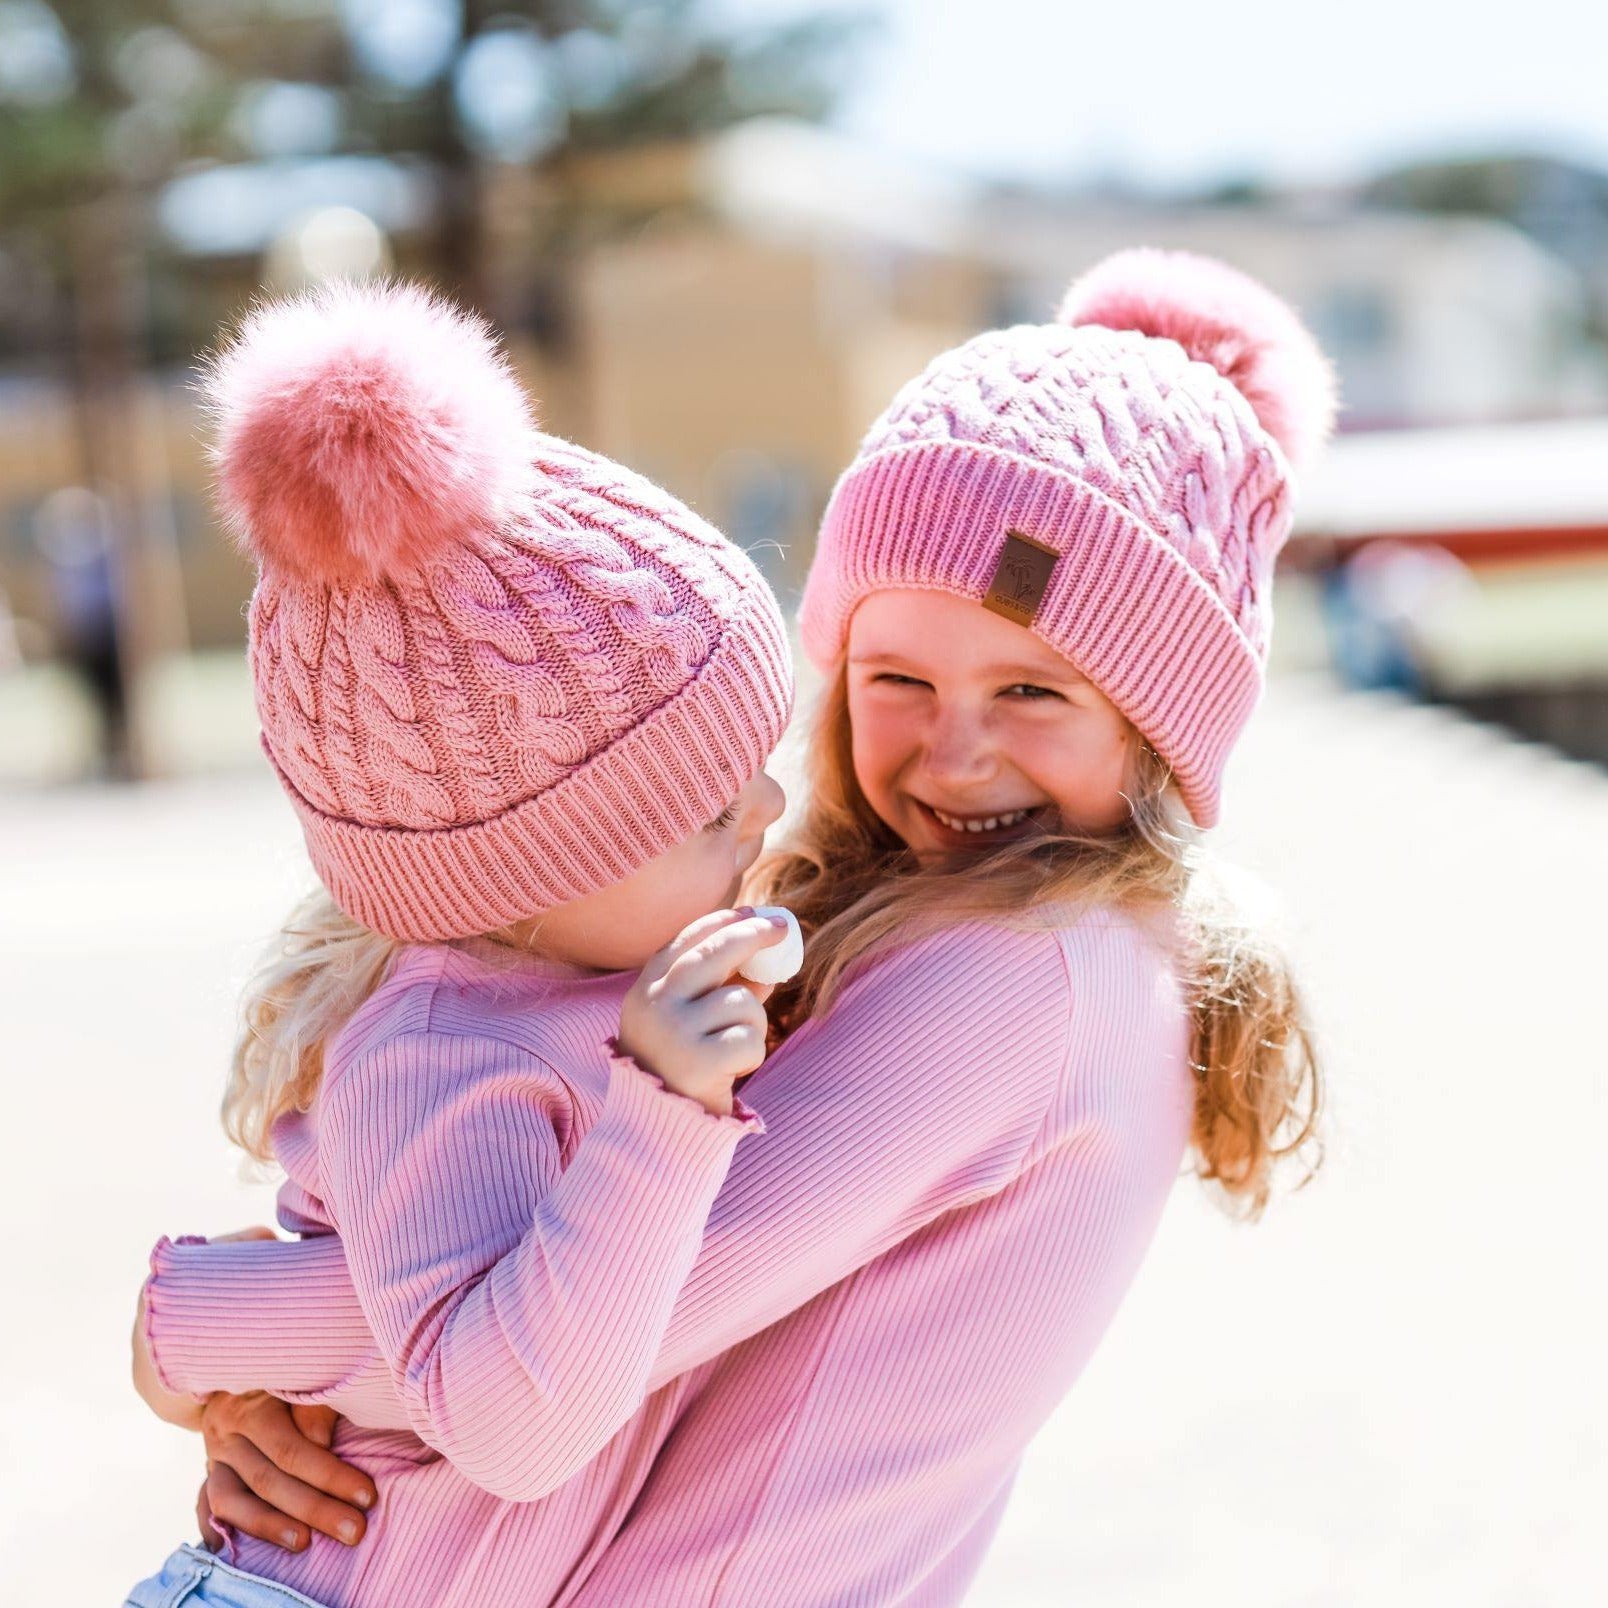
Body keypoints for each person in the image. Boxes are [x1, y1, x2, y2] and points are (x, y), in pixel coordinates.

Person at [133, 248, 1333, 1607]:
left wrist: (203, 1330)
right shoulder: (917, 924)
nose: (957, 751)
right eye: (897, 676)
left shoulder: (1021, 973)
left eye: (1035, 692)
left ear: (1161, 720)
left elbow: (604, 1316)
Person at [123, 276, 799, 1608]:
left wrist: (211, 1323)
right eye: (712, 802)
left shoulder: (618, 966)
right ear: (533, 869)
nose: (771, 810)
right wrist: (663, 1111)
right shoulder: (438, 1054)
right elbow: (514, 1423)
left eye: (760, 763)